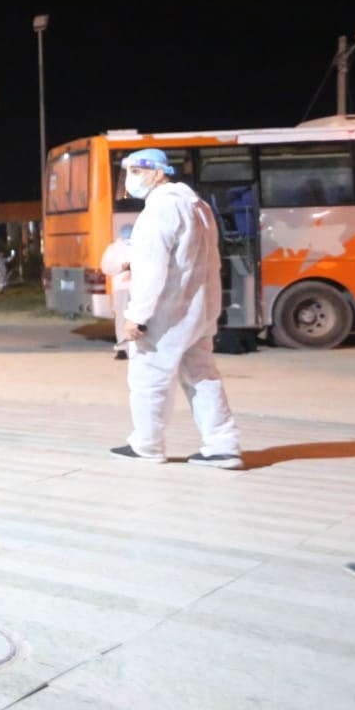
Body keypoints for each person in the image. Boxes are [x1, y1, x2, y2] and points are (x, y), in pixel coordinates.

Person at [112, 148, 243, 469]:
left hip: (167, 313)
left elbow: (151, 269)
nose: (130, 180)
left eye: (137, 172)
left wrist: (136, 316)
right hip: (199, 310)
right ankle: (223, 446)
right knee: (203, 376)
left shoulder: (159, 210)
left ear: (159, 173)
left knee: (148, 378)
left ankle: (147, 444)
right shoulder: (198, 206)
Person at [101, 225, 133, 360]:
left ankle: (136, 348)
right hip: (121, 288)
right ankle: (122, 348)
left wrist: (133, 270)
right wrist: (122, 267)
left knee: (138, 318)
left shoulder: (140, 245)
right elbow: (106, 268)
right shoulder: (113, 249)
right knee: (121, 318)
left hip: (138, 287)